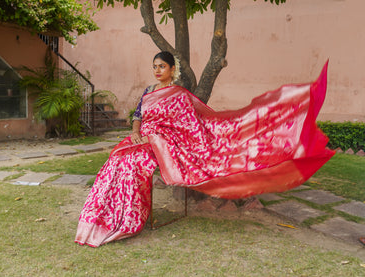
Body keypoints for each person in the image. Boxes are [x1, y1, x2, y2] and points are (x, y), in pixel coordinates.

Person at [75, 51, 335, 247]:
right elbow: (138, 115)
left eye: (162, 67)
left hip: (163, 146)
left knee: (133, 165)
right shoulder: (148, 91)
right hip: (141, 140)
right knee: (116, 161)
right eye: (154, 67)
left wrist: (155, 137)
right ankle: (100, 219)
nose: (157, 71)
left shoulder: (178, 94)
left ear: (172, 69)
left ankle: (128, 219)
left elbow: (187, 127)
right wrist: (135, 133)